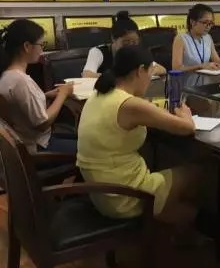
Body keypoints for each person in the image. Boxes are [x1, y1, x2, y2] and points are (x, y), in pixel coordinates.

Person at [77, 45, 201, 225]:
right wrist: (186, 114)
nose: (150, 79)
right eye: (150, 73)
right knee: (196, 173)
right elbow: (187, 128)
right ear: (140, 71)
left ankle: (167, 218)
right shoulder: (129, 104)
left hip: (100, 190)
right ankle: (176, 224)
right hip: (124, 196)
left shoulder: (99, 93)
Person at [0, 19, 76, 154]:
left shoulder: (7, 75)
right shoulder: (21, 81)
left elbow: (21, 103)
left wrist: (46, 95)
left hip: (33, 140)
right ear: (27, 46)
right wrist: (63, 94)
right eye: (41, 45)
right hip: (39, 146)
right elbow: (43, 123)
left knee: (85, 138)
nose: (42, 50)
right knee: (92, 148)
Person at [82, 11, 166, 78]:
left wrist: (151, 72)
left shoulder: (136, 53)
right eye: (126, 42)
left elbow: (162, 69)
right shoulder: (98, 52)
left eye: (134, 42)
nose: (130, 46)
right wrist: (115, 78)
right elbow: (87, 74)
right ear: (113, 39)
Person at [172, 4, 220, 72]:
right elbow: (176, 68)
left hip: (206, 77)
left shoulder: (208, 37)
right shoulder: (181, 39)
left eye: (210, 23)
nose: (208, 26)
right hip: (187, 78)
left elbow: (217, 62)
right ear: (192, 22)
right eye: (205, 22)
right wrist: (200, 66)